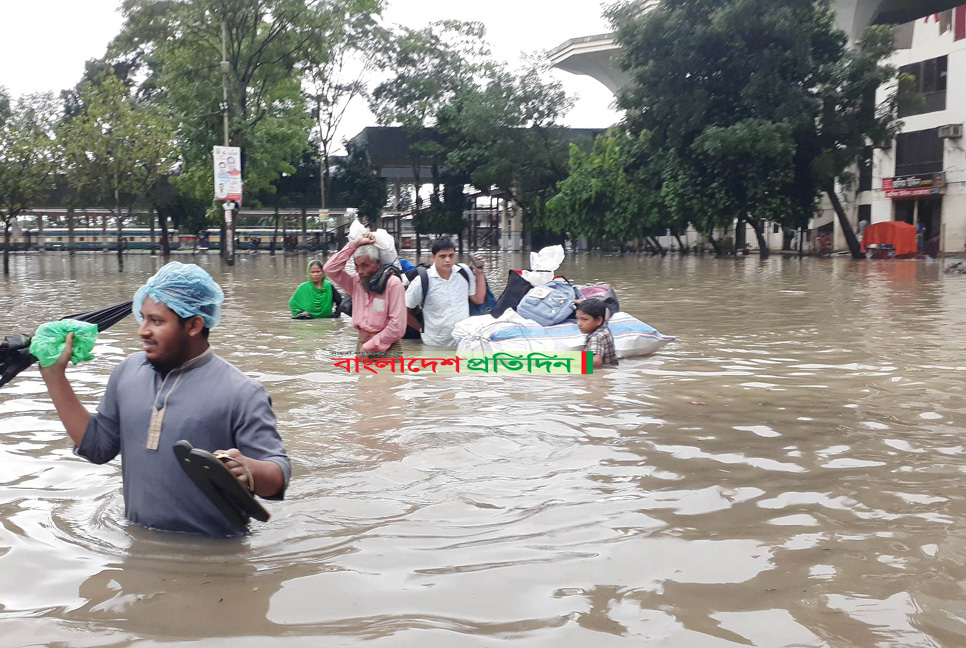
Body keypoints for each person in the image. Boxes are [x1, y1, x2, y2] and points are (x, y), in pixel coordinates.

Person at [38, 262, 291, 538]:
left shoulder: (242, 391)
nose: (142, 331)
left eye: (156, 321)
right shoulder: (127, 373)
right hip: (138, 544)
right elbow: (98, 447)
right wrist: (54, 377)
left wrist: (250, 469)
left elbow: (277, 477)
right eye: (143, 318)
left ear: (194, 325)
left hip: (216, 556)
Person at [323, 232, 406, 356]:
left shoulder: (392, 283)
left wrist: (369, 347)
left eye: (365, 266)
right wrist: (353, 245)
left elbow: (397, 326)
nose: (360, 271)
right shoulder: (356, 282)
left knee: (389, 375)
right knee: (362, 375)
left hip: (388, 349)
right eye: (357, 266)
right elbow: (330, 269)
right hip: (362, 345)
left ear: (377, 264)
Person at [404, 238, 486, 347]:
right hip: (435, 344)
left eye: (451, 256)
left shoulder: (464, 272)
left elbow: (478, 299)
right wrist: (421, 329)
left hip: (463, 341)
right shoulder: (422, 281)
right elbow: (403, 311)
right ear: (433, 257)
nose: (447, 260)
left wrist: (479, 272)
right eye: (443, 256)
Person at [576, 298, 619, 369]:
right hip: (611, 370)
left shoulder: (595, 337)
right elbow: (606, 310)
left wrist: (572, 362)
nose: (579, 323)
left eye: (584, 319)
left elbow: (596, 361)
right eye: (578, 319)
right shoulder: (604, 327)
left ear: (598, 320)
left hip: (600, 372)